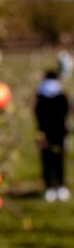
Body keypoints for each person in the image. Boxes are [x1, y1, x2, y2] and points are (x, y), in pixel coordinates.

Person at [35, 70, 70, 202]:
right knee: (58, 159)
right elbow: (66, 110)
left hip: (44, 132)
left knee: (47, 160)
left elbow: (37, 113)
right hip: (59, 132)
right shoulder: (61, 95)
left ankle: (50, 187)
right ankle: (60, 186)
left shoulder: (40, 95)